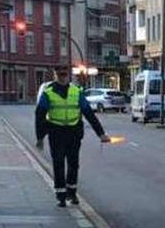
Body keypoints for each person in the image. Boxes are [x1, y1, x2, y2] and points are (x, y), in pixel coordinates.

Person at [36, 65, 110, 207]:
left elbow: (89, 113)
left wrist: (101, 134)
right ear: (55, 75)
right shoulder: (48, 92)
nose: (63, 77)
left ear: (68, 76)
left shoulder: (77, 92)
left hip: (74, 132)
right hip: (56, 132)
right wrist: (40, 137)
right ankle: (61, 195)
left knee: (73, 164)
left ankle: (72, 193)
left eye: (65, 74)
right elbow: (39, 116)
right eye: (60, 74)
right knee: (58, 164)